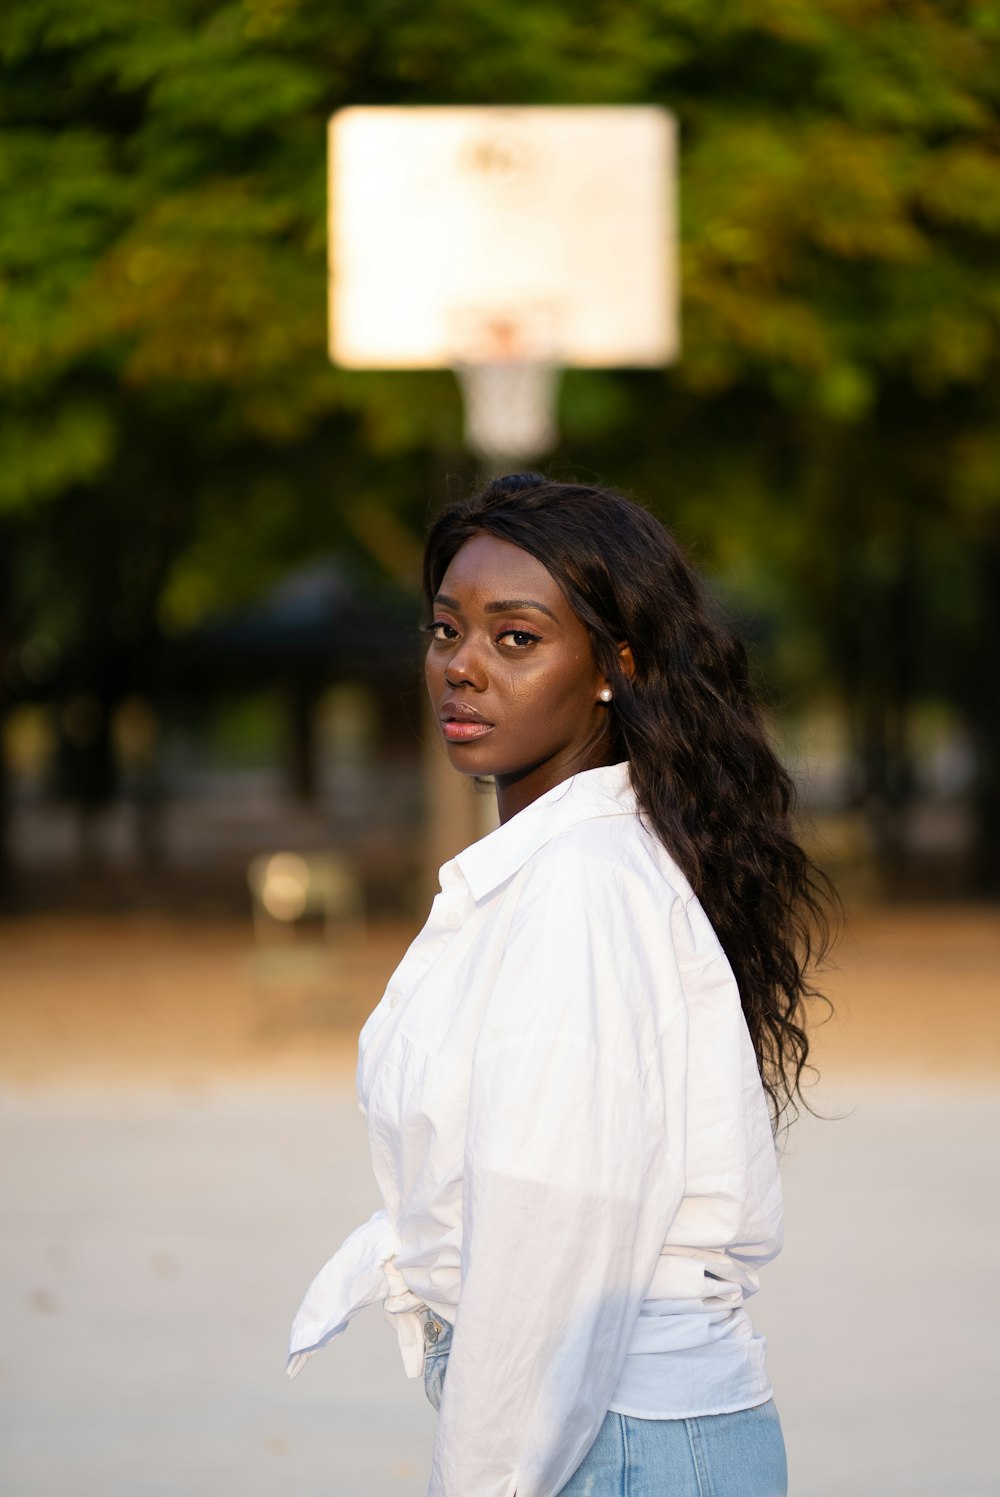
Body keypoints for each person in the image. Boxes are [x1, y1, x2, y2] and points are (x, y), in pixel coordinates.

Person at [287, 474, 833, 1497]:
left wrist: (481, 1482)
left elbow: (551, 1244)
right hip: (627, 1438)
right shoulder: (569, 866)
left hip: (615, 1444)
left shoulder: (578, 888)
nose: (461, 668)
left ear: (613, 668)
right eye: (446, 630)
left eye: (516, 638)